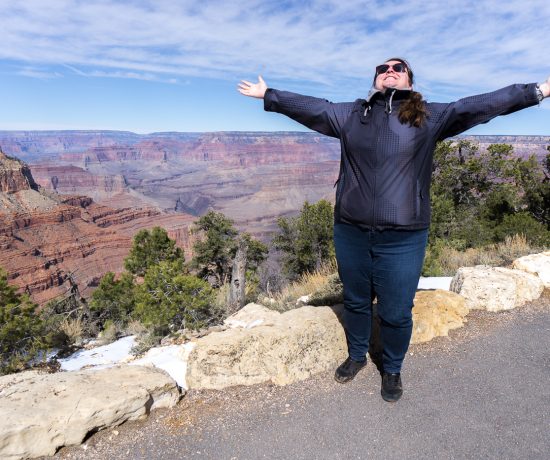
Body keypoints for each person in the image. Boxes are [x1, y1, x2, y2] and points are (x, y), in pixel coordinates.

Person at [238, 58, 550, 402]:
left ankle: (392, 368)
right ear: (374, 79)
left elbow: (479, 105)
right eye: (382, 67)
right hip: (351, 231)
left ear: (409, 83)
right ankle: (357, 356)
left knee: (397, 311)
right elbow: (315, 108)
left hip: (404, 236)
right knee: (356, 302)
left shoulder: (429, 117)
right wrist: (270, 94)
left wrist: (539, 90)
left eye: (399, 68)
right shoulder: (352, 115)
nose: (390, 70)